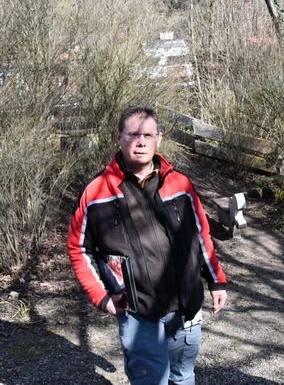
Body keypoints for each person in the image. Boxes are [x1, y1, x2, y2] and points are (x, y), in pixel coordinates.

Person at [67, 105, 227, 384]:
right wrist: (101, 296)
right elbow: (78, 249)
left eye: (148, 135)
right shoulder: (96, 192)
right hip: (137, 311)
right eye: (133, 134)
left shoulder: (180, 184)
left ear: (159, 139)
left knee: (183, 376)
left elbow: (201, 234)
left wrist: (216, 281)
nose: (141, 142)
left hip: (186, 306)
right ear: (119, 137)